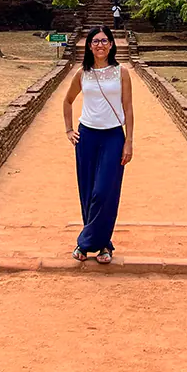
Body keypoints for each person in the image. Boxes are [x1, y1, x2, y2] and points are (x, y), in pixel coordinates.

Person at [63, 26, 134, 264]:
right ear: (89, 46)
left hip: (113, 136)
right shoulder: (82, 73)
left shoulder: (121, 72)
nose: (100, 45)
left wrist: (129, 141)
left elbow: (128, 108)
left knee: (104, 192)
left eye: (104, 41)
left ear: (111, 45)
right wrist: (69, 130)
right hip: (87, 137)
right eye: (95, 41)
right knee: (88, 191)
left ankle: (86, 243)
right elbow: (67, 101)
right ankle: (102, 244)